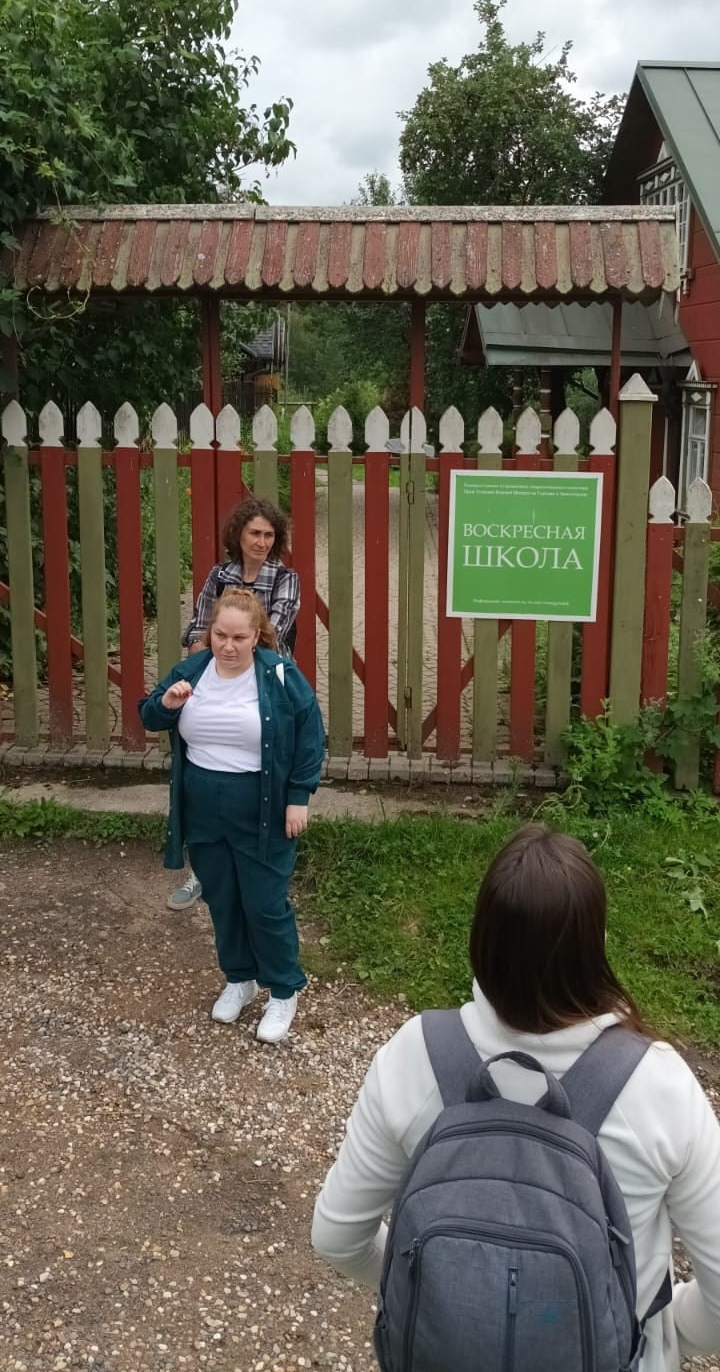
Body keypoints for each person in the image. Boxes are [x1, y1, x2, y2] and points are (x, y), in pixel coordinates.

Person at [312, 822, 720, 1372]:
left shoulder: (414, 1056)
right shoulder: (660, 1085)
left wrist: (436, 1292)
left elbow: (337, 1237)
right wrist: (659, 1333)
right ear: (597, 945)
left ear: (480, 941)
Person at [140, 588, 324, 1044]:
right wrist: (167, 705)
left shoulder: (279, 675)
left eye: (239, 638)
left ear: (257, 636)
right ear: (211, 632)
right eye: (220, 635)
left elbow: (310, 735)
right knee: (222, 899)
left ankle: (283, 990)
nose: (228, 646)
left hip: (261, 808)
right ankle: (241, 979)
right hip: (203, 807)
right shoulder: (192, 670)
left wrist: (298, 796)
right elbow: (149, 715)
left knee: (264, 903)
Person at [168, 496, 301, 911]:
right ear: (238, 535)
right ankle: (204, 871)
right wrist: (213, 646)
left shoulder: (286, 579)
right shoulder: (219, 575)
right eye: (254, 533)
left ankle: (265, 864)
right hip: (216, 683)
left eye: (269, 535)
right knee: (206, 769)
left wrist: (222, 643)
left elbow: (270, 635)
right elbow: (196, 630)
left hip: (265, 688)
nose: (261, 542)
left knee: (265, 770)